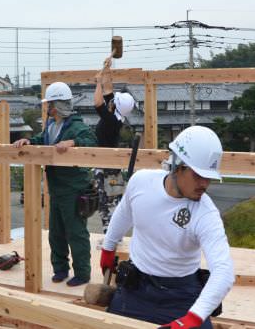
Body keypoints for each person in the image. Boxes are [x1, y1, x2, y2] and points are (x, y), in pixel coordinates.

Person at [100, 126, 234, 329]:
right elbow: (124, 212)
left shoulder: (205, 213)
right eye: (198, 175)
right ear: (177, 166)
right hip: (135, 288)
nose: (205, 184)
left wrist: (193, 318)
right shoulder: (142, 182)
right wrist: (108, 248)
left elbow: (223, 272)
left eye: (209, 178)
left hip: (181, 294)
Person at [12, 81, 97, 286]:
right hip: (57, 188)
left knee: (76, 233)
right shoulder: (51, 125)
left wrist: (73, 143)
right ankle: (60, 269)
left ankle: (82, 273)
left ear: (57, 105)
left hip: (74, 188)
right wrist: (29, 141)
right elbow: (43, 139)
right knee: (56, 233)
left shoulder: (76, 126)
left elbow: (93, 141)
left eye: (49, 104)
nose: (46, 108)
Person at [93, 54, 136, 232]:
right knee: (114, 205)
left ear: (115, 106)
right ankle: (113, 237)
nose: (111, 100)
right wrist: (106, 68)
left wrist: (96, 82)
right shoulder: (116, 112)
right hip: (111, 166)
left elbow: (97, 102)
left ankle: (110, 239)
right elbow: (108, 88)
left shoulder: (111, 119)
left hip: (106, 169)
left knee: (107, 206)